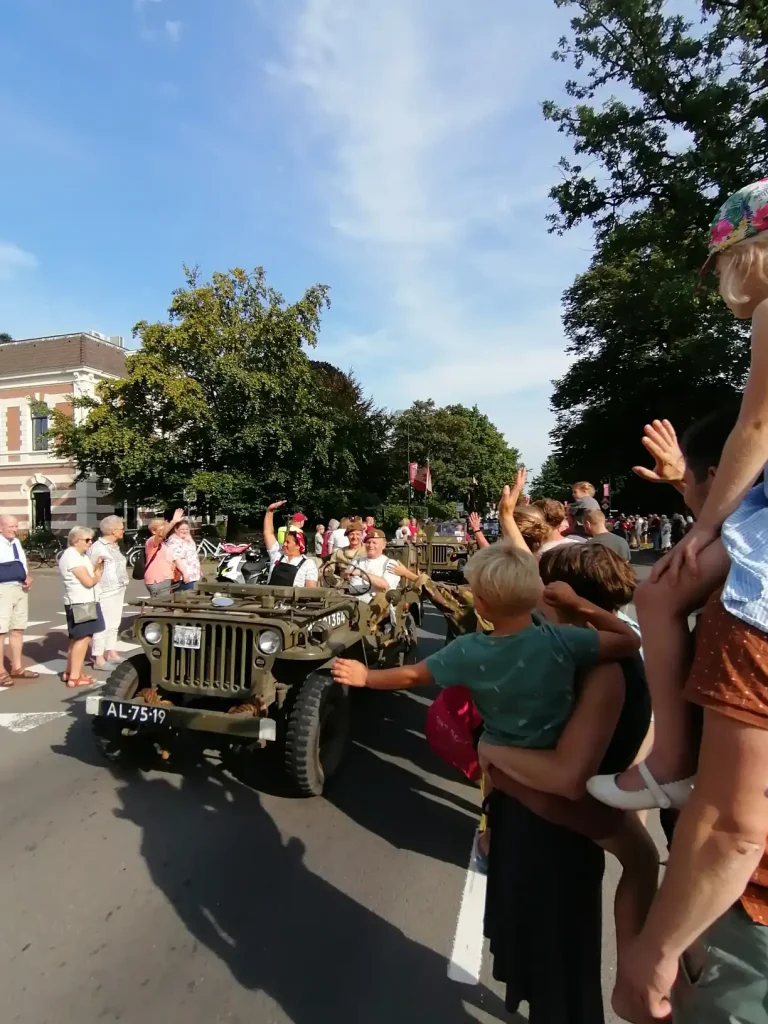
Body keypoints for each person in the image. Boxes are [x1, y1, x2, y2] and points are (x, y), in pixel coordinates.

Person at [332, 542, 643, 1022]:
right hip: (535, 815)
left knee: (553, 959)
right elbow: (626, 639)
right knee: (552, 954)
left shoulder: (480, 650)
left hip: (541, 818)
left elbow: (565, 778)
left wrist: (490, 752)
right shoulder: (565, 645)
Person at [58, 526, 105, 688]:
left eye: (91, 539)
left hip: (82, 600)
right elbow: (88, 581)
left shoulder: (79, 555)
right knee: (83, 638)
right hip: (81, 602)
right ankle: (75, 677)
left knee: (76, 638)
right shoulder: (72, 557)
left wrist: (96, 567)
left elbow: (88, 574)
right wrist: (98, 573)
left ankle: (70, 672)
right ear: (75, 540)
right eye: (87, 540)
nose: (90, 542)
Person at [0, 514, 37, 687]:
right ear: (0, 527)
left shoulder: (15, 542)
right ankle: (0, 671)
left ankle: (17, 667)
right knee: (0, 631)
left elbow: (21, 562)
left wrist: (27, 576)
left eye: (16, 526)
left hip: (19, 588)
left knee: (18, 628)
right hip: (2, 589)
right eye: (11, 526)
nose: (15, 529)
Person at [88, 515, 128, 670]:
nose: (123, 531)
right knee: (102, 624)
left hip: (118, 587)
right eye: (121, 528)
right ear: (112, 530)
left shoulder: (114, 546)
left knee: (114, 622)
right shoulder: (98, 547)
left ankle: (111, 651)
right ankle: (98, 657)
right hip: (104, 590)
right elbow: (90, 568)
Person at [264, 501, 318, 587]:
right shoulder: (277, 555)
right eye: (284, 541)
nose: (283, 544)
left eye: (287, 542)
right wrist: (269, 511)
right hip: (270, 599)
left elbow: (310, 591)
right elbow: (268, 533)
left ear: (298, 546)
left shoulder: (308, 564)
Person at [143, 509, 184, 597]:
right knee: (161, 605)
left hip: (166, 578)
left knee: (164, 605)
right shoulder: (151, 542)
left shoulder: (163, 543)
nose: (165, 532)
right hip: (157, 579)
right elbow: (161, 535)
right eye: (162, 530)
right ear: (154, 531)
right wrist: (173, 522)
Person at [165, 520, 202, 592]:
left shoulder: (186, 538)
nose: (185, 531)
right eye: (182, 529)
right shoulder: (174, 540)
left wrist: (198, 569)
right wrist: (185, 573)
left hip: (192, 573)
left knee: (190, 595)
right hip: (182, 575)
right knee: (183, 597)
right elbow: (176, 558)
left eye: (187, 529)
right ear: (176, 529)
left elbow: (193, 554)